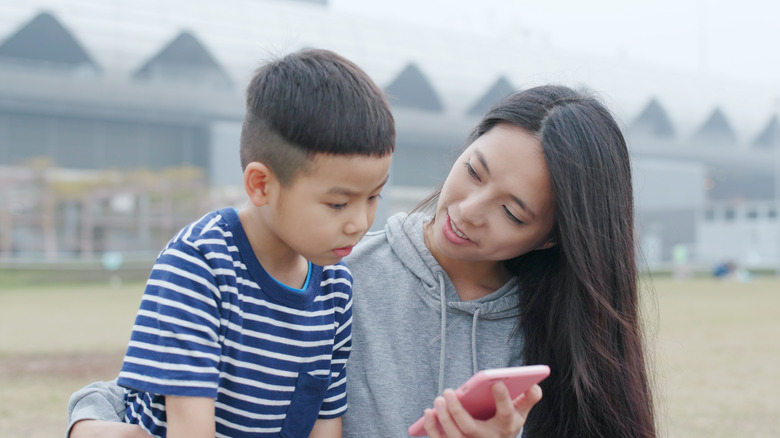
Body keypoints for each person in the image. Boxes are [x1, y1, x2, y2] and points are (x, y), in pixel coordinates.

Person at [67, 84, 656, 437]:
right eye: (474, 172)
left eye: (512, 212)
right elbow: (148, 391)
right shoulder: (334, 273)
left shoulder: (559, 336)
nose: (469, 210)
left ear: (552, 239)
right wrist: (87, 423)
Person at [66, 48, 395, 438]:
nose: (360, 223)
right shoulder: (199, 265)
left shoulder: (336, 288)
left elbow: (325, 424)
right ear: (261, 185)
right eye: (338, 204)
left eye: (373, 197)